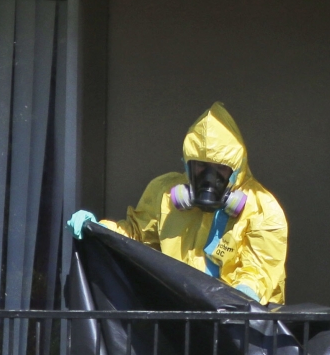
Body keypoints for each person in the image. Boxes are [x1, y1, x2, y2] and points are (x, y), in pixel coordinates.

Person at [67, 102, 288, 304]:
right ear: (187, 165)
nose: (209, 178)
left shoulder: (262, 209)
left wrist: (236, 305)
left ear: (237, 169)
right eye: (200, 166)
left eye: (221, 168)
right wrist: (98, 229)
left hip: (237, 327)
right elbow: (135, 236)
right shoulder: (164, 194)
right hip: (179, 318)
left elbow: (258, 273)